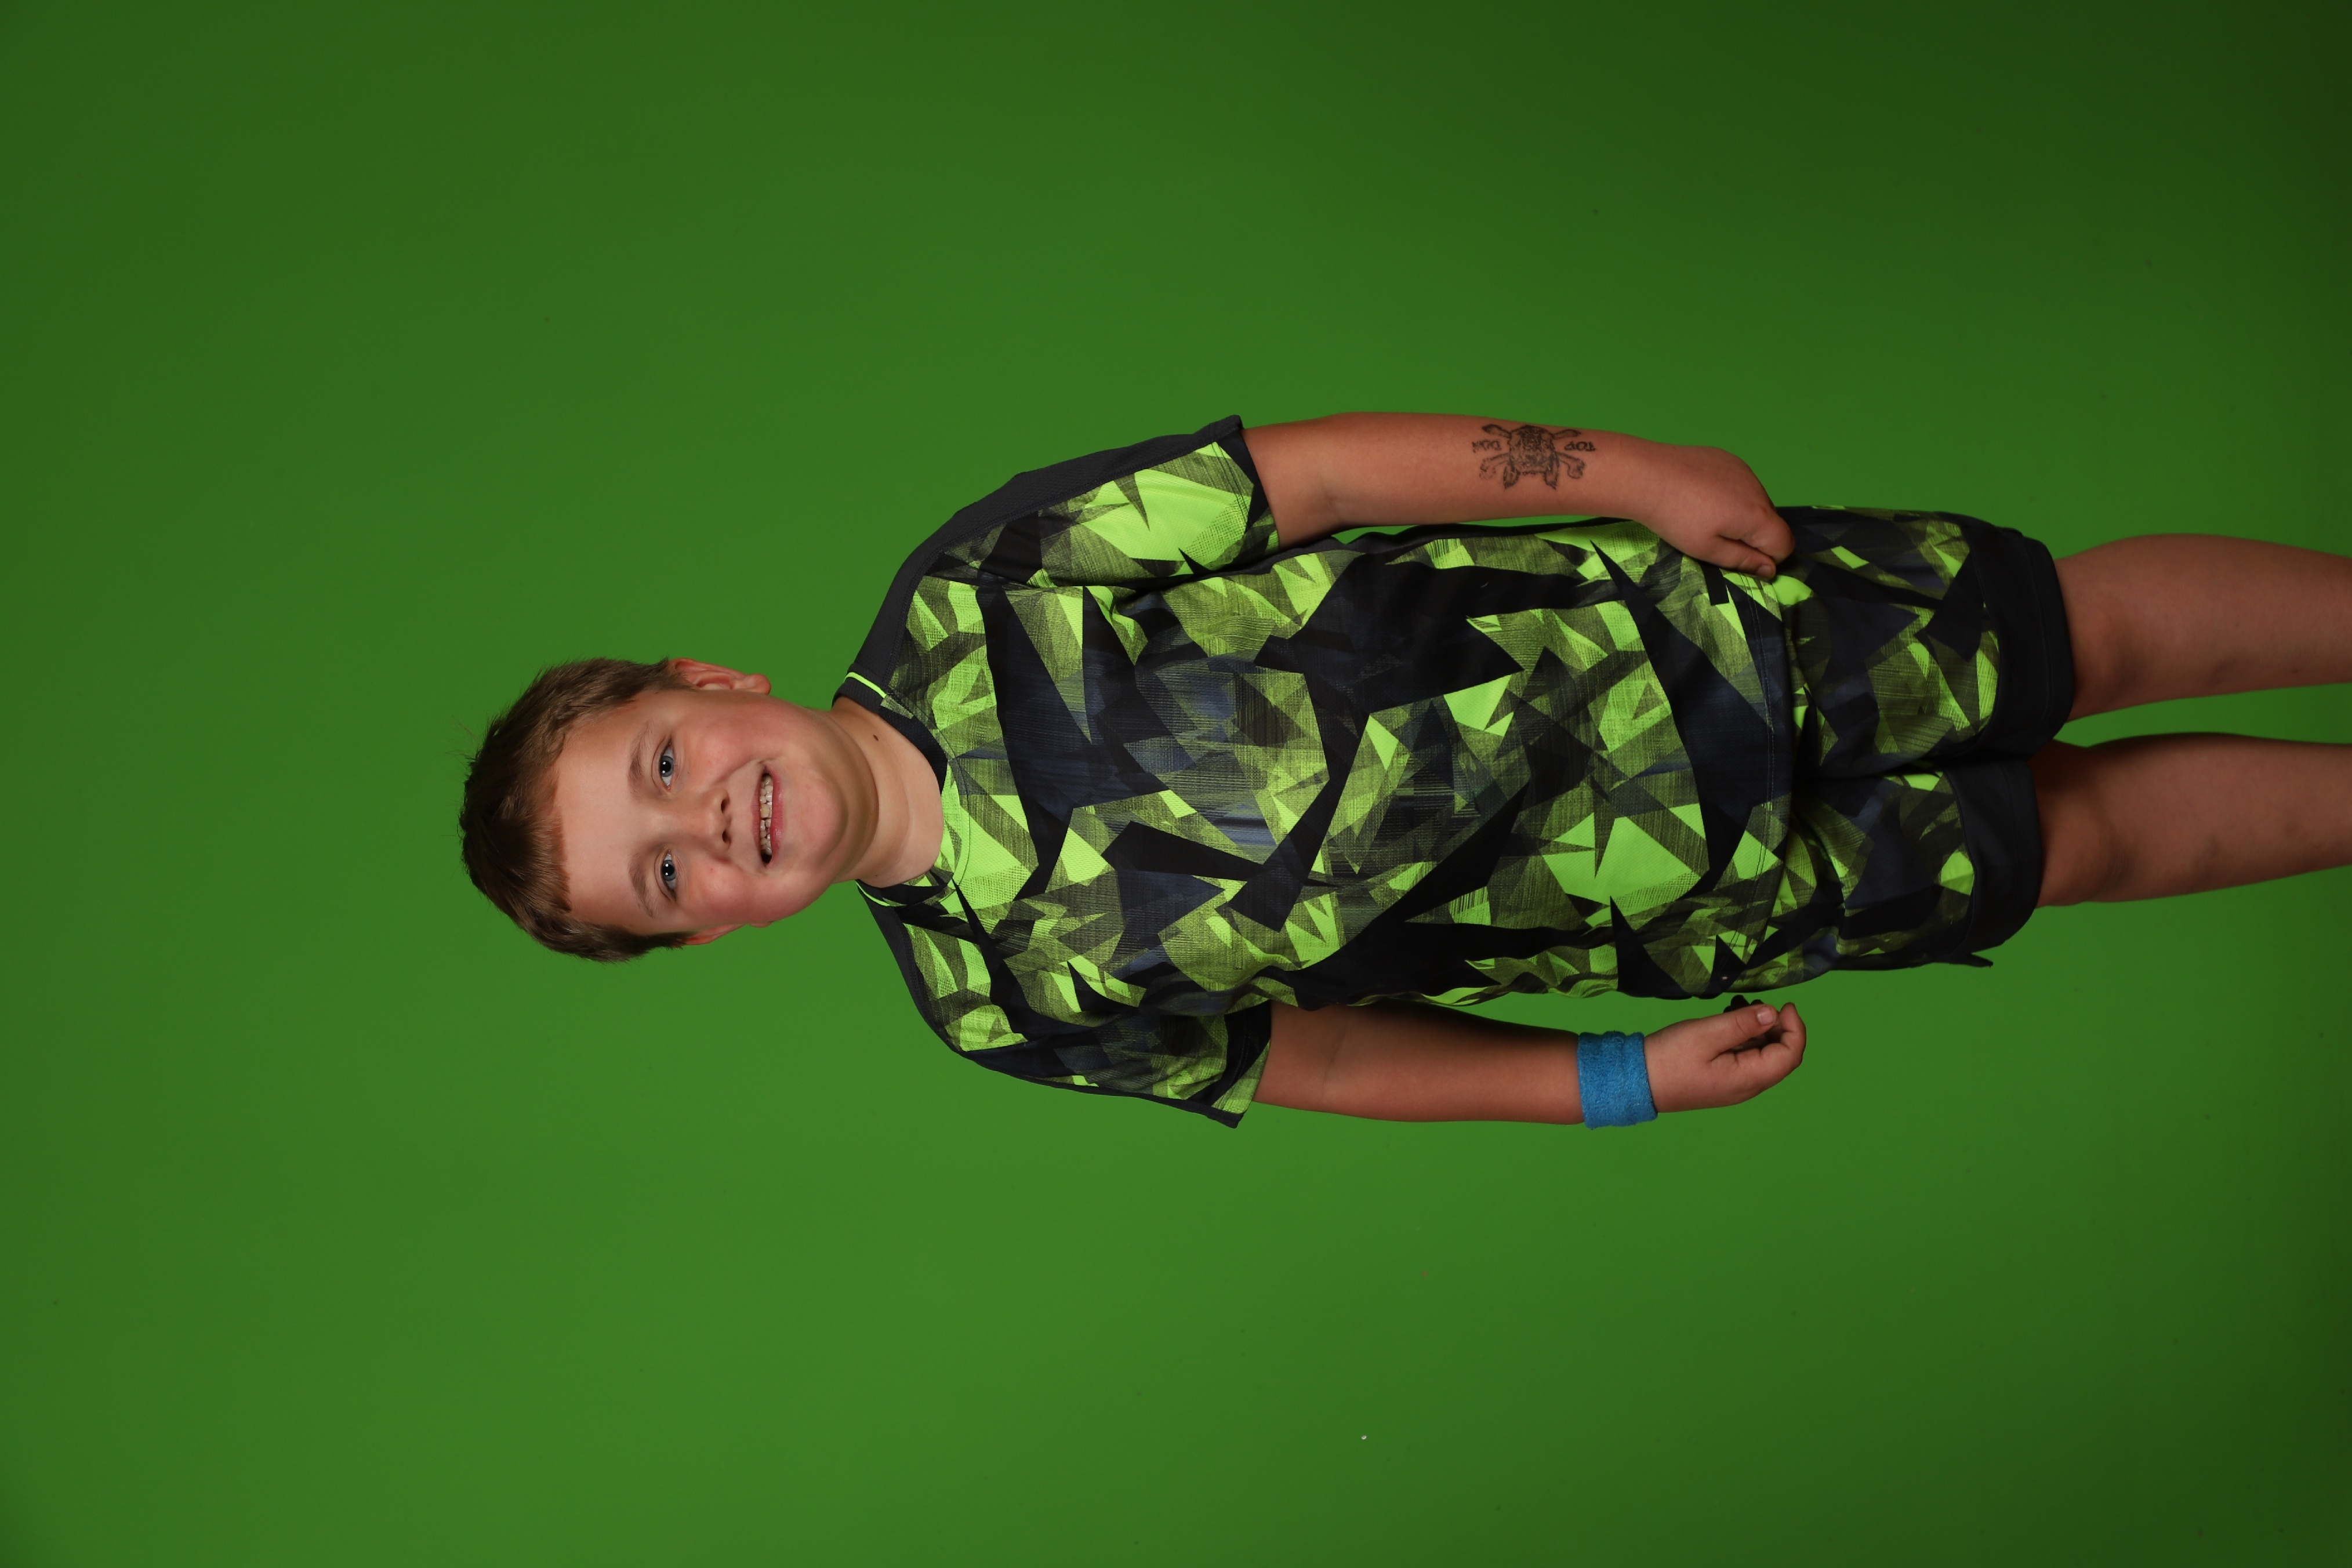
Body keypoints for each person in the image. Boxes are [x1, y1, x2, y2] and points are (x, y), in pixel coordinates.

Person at [457, 414, 2352, 1129]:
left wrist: (1620, 473)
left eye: (664, 762)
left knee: (2079, 636)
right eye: (665, 874)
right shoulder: (1002, 1004)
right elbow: (1331, 1060)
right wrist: (1606, 1082)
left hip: (1691, 631)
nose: (704, 821)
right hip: (1695, 894)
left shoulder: (989, 583)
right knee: (2076, 844)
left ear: (708, 681)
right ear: (708, 934)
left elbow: (1317, 480)